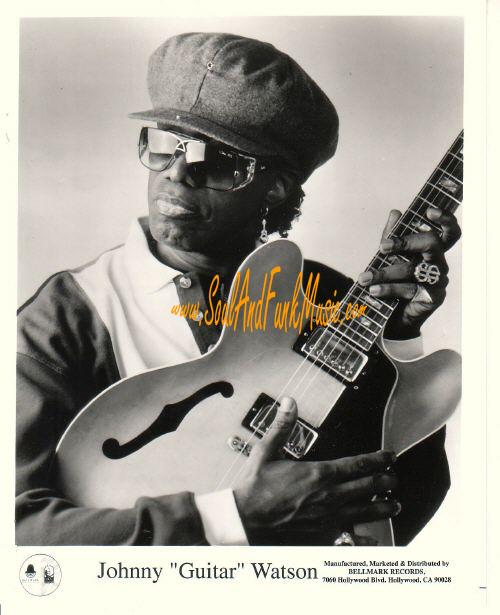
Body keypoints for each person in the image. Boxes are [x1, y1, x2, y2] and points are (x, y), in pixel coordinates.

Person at [16, 32, 461, 546]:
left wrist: (396, 338)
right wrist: (232, 519)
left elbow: (401, 509)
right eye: (164, 145)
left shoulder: (327, 298)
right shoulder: (65, 316)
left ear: (276, 188)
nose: (177, 174)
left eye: (217, 161)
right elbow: (19, 532)